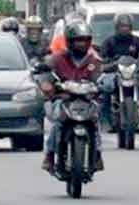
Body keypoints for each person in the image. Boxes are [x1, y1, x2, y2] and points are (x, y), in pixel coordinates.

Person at [39, 21, 105, 174]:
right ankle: (49, 155)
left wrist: (103, 85)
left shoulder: (94, 60)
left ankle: (97, 154)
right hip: (64, 98)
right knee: (58, 123)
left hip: (87, 99)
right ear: (69, 41)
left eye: (84, 40)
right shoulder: (57, 58)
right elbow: (44, 72)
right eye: (77, 40)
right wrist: (46, 83)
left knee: (95, 122)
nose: (81, 44)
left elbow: (102, 77)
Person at [98, 13, 139, 135]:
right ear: (116, 27)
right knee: (105, 89)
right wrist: (105, 61)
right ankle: (106, 121)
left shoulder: (136, 41)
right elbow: (101, 56)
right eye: (122, 26)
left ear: (131, 27)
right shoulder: (109, 41)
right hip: (114, 74)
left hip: (133, 75)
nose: (125, 28)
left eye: (127, 26)